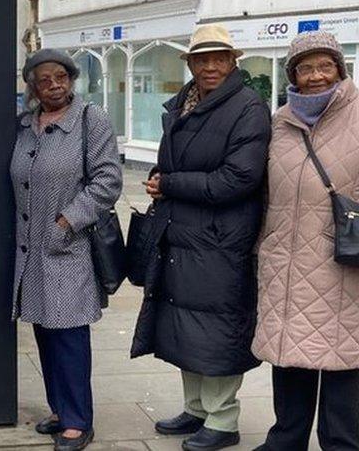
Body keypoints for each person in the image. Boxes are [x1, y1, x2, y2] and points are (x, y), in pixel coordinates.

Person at [131, 24, 270, 451]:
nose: (210, 66)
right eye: (201, 58)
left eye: (219, 58)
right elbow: (176, 166)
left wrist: (171, 184)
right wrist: (160, 180)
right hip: (181, 234)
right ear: (190, 63)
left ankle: (223, 421)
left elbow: (238, 178)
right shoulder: (183, 105)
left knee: (217, 328)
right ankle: (196, 410)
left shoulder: (248, 107)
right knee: (183, 323)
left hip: (220, 241)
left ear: (233, 62)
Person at [252, 31, 359, 451]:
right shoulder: (280, 121)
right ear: (292, 74)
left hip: (344, 261)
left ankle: (342, 444)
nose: (315, 76)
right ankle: (286, 440)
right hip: (285, 259)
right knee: (290, 353)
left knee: (343, 359)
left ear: (339, 69)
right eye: (305, 68)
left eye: (324, 66)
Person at [12, 49, 122, 451]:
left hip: (67, 246)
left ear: (72, 79)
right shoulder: (26, 125)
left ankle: (78, 420)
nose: (55, 85)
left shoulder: (91, 120)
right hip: (30, 249)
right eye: (45, 79)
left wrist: (66, 221)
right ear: (33, 86)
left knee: (69, 334)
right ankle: (61, 408)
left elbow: (108, 180)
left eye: (61, 77)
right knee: (44, 331)